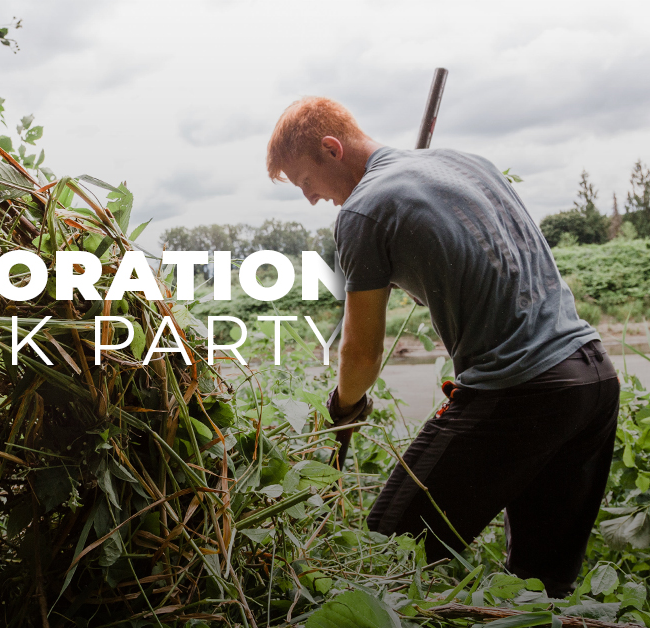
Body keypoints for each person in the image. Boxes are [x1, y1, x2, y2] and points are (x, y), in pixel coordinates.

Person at [264, 97, 619, 597]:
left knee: (388, 551)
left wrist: (343, 407)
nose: (313, 200)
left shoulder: (364, 211)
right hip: (593, 380)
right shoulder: (469, 163)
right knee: (540, 588)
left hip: (520, 391)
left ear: (331, 149)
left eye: (306, 183)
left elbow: (361, 354)